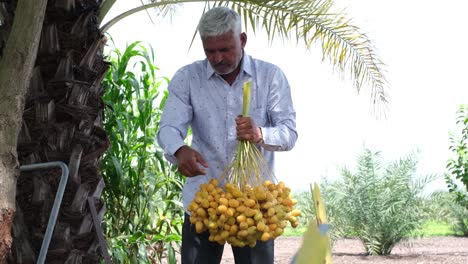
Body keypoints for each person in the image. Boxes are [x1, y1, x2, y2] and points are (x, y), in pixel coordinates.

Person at [157, 6, 298, 264]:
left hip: (254, 204)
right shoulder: (187, 78)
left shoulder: (270, 77)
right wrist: (179, 149)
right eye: (210, 51)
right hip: (204, 202)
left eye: (225, 49)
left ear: (242, 40)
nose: (218, 58)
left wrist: (259, 133)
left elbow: (289, 134)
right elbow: (168, 127)